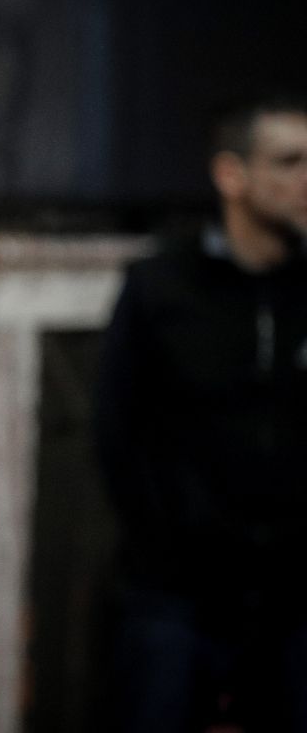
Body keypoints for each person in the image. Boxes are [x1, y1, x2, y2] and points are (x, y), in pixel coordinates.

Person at [95, 94, 307, 732]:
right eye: (290, 162)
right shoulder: (161, 284)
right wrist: (165, 542)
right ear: (231, 175)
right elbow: (115, 429)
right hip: (174, 594)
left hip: (293, 594)